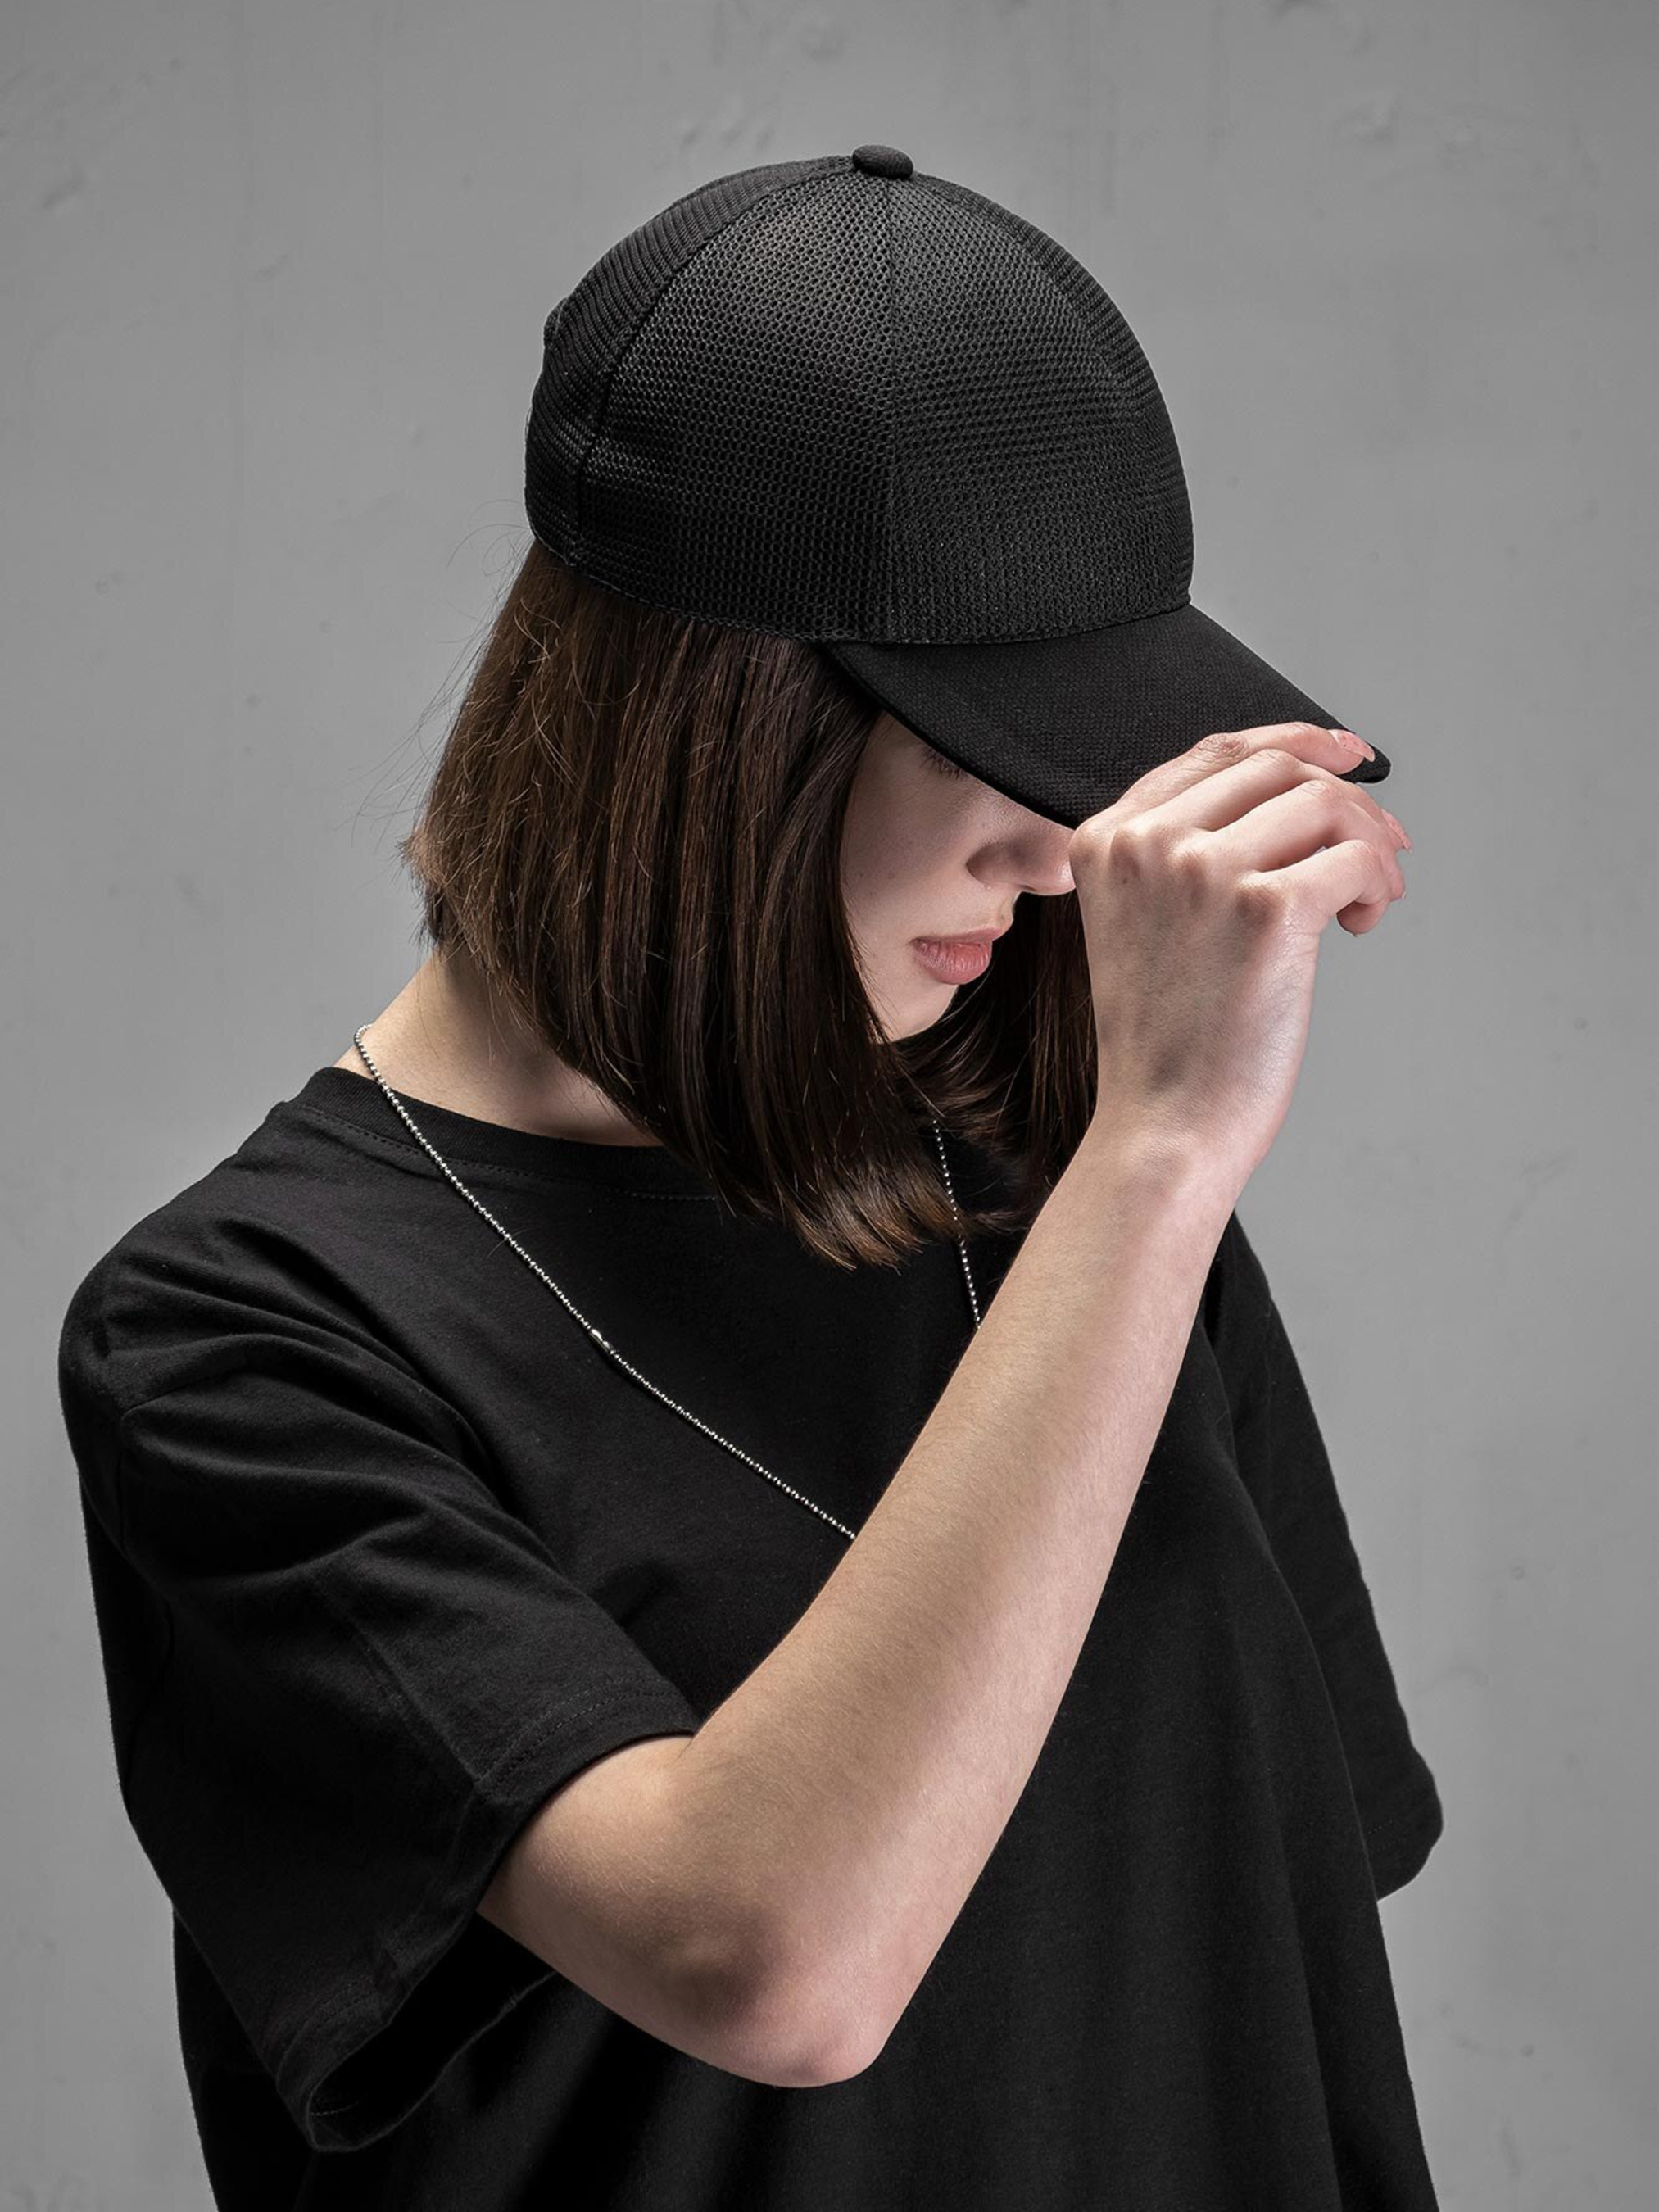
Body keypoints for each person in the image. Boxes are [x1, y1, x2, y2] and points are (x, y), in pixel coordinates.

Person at [57, 146, 1443, 2210]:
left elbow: (1272, 1954)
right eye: (978, 741)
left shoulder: (1064, 1190)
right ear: (703, 729)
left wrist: (1132, 1180)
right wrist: (1153, 1163)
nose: (1057, 850)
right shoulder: (243, 1340)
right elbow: (773, 1965)